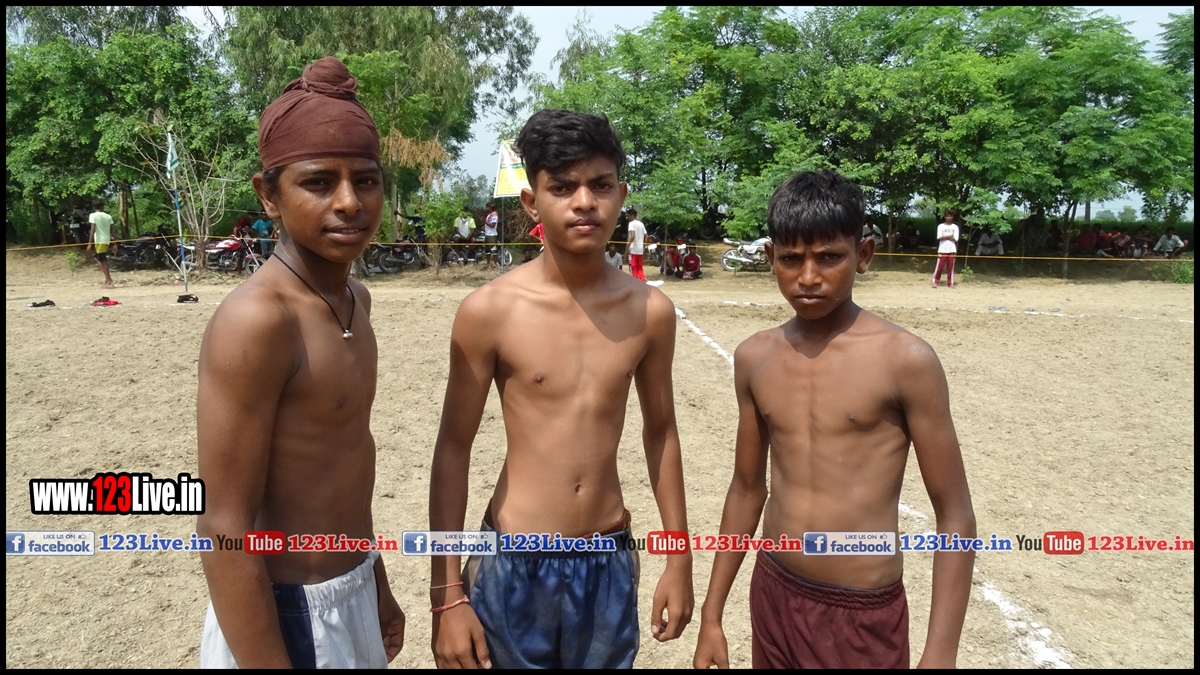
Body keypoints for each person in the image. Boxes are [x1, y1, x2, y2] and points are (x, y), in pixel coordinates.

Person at [429, 108, 693, 669]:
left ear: (621, 194)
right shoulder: (490, 311)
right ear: (532, 201)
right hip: (513, 557)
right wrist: (446, 594)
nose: (584, 202)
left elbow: (662, 433)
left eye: (600, 185)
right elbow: (453, 448)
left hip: (607, 553)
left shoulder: (649, 312)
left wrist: (679, 558)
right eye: (563, 187)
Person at [692, 170, 975, 670]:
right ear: (770, 258)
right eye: (790, 259)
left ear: (863, 254)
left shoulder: (905, 360)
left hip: (859, 613)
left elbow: (955, 516)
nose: (808, 277)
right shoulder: (755, 357)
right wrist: (712, 614)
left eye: (828, 257)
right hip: (774, 591)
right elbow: (746, 490)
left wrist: (941, 653)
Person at [195, 56, 404, 669]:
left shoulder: (355, 300)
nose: (349, 202)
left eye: (366, 180)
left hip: (349, 588)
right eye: (318, 182)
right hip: (285, 611)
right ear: (269, 195)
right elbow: (223, 524)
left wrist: (373, 580)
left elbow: (346, 458)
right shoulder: (258, 320)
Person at [87, 200, 115, 288]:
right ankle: (107, 279)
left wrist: (90, 243)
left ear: (94, 207)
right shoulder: (108, 216)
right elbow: (112, 230)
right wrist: (115, 242)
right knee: (98, 258)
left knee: (102, 260)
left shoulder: (93, 215)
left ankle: (109, 280)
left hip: (100, 240)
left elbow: (92, 229)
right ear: (102, 206)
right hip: (107, 240)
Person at [932, 210, 959, 287]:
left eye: (950, 216)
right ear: (944, 217)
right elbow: (939, 237)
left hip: (952, 249)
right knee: (939, 267)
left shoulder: (955, 227)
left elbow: (955, 238)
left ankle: (950, 283)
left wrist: (945, 237)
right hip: (942, 249)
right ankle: (935, 281)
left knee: (951, 267)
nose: (948, 218)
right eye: (947, 216)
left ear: (952, 217)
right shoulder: (941, 226)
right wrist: (949, 236)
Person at [625, 207, 648, 282]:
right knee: (639, 266)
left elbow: (632, 236)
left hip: (633, 249)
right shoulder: (641, 224)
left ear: (631, 215)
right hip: (640, 249)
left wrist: (628, 246)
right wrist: (644, 246)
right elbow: (646, 236)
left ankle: (635, 280)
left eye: (628, 216)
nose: (627, 218)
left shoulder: (631, 223)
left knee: (633, 266)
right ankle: (642, 278)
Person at [483, 202, 500, 266]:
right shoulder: (489, 215)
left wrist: (486, 222)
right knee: (487, 250)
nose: (486, 208)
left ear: (490, 208)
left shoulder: (494, 215)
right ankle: (488, 263)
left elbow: (493, 225)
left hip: (492, 235)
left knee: (493, 250)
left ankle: (495, 264)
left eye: (487, 207)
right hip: (487, 234)